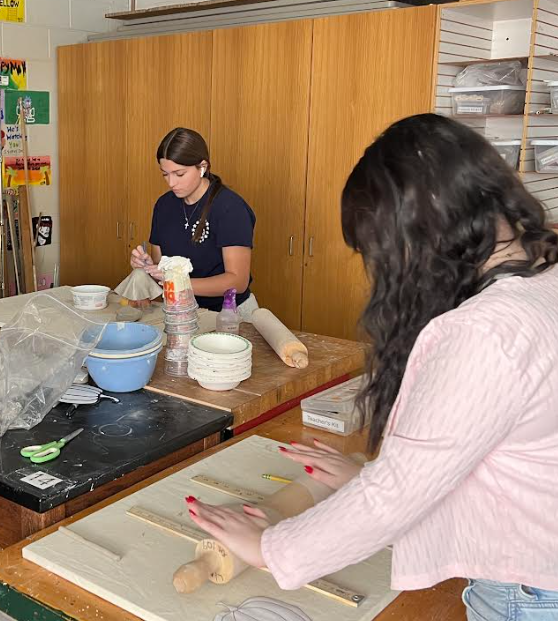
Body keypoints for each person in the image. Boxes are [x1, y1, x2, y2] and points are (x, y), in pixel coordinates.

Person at [186, 114, 558, 619]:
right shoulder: (544, 272)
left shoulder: (487, 330)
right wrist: (376, 474)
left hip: (530, 588)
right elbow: (492, 437)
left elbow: (397, 498)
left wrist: (270, 547)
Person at [130, 128, 257, 316]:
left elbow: (237, 281)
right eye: (165, 174)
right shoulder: (164, 206)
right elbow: (163, 266)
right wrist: (149, 267)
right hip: (179, 309)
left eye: (179, 174)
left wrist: (176, 282)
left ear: (202, 166)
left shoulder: (230, 208)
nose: (171, 183)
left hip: (228, 314)